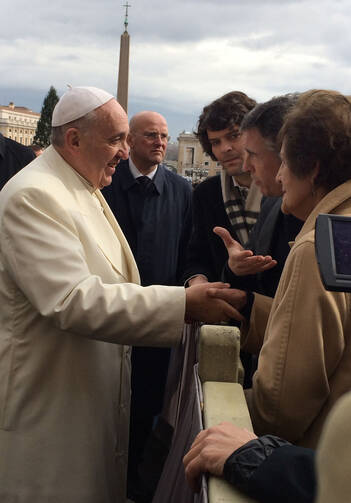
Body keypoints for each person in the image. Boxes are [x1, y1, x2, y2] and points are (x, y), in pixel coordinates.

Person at [0, 86, 245, 502]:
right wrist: (181, 304)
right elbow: (72, 298)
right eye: (116, 139)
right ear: (75, 140)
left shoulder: (81, 184)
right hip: (50, 404)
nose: (124, 150)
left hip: (83, 397)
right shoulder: (34, 195)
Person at [220, 89, 351, 447]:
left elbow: (280, 406)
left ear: (313, 167)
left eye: (286, 162)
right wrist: (249, 307)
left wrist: (217, 413)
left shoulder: (316, 247)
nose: (279, 176)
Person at [102, 111, 192, 500]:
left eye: (164, 136)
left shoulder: (182, 192)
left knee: (147, 406)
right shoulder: (103, 186)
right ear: (131, 140)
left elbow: (189, 252)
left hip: (159, 324)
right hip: (107, 321)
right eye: (151, 135)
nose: (159, 142)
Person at [217, 94, 303, 299]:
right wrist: (235, 268)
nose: (247, 166)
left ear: (287, 153)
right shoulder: (271, 202)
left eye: (253, 154)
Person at [183, 91, 262, 286]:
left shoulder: (284, 189)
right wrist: (197, 280)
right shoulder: (206, 193)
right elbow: (196, 257)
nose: (225, 148)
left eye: (234, 136)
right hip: (226, 306)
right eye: (216, 142)